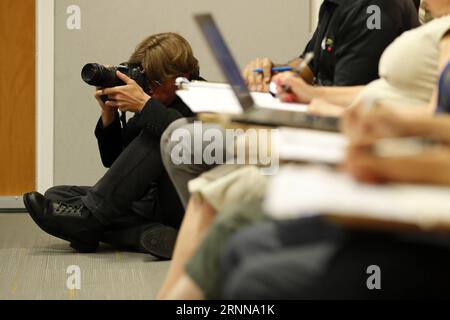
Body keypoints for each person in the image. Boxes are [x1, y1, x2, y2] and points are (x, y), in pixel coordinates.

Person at [157, 0, 450, 299]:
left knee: (189, 146)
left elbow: (427, 113)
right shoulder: (335, 7)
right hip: (333, 125)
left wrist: (329, 109)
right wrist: (279, 71)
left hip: (337, 136)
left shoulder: (376, 11)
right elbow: (308, 64)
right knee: (180, 140)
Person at [23, 33, 202, 259]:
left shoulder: (203, 98)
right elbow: (116, 162)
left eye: (154, 83)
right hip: (146, 205)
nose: (148, 90)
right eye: (146, 82)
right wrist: (109, 113)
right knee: (56, 196)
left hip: (182, 203)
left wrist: (145, 106)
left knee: (165, 135)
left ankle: (90, 221)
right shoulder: (154, 102)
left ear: (182, 78)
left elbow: (188, 135)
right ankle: (146, 234)